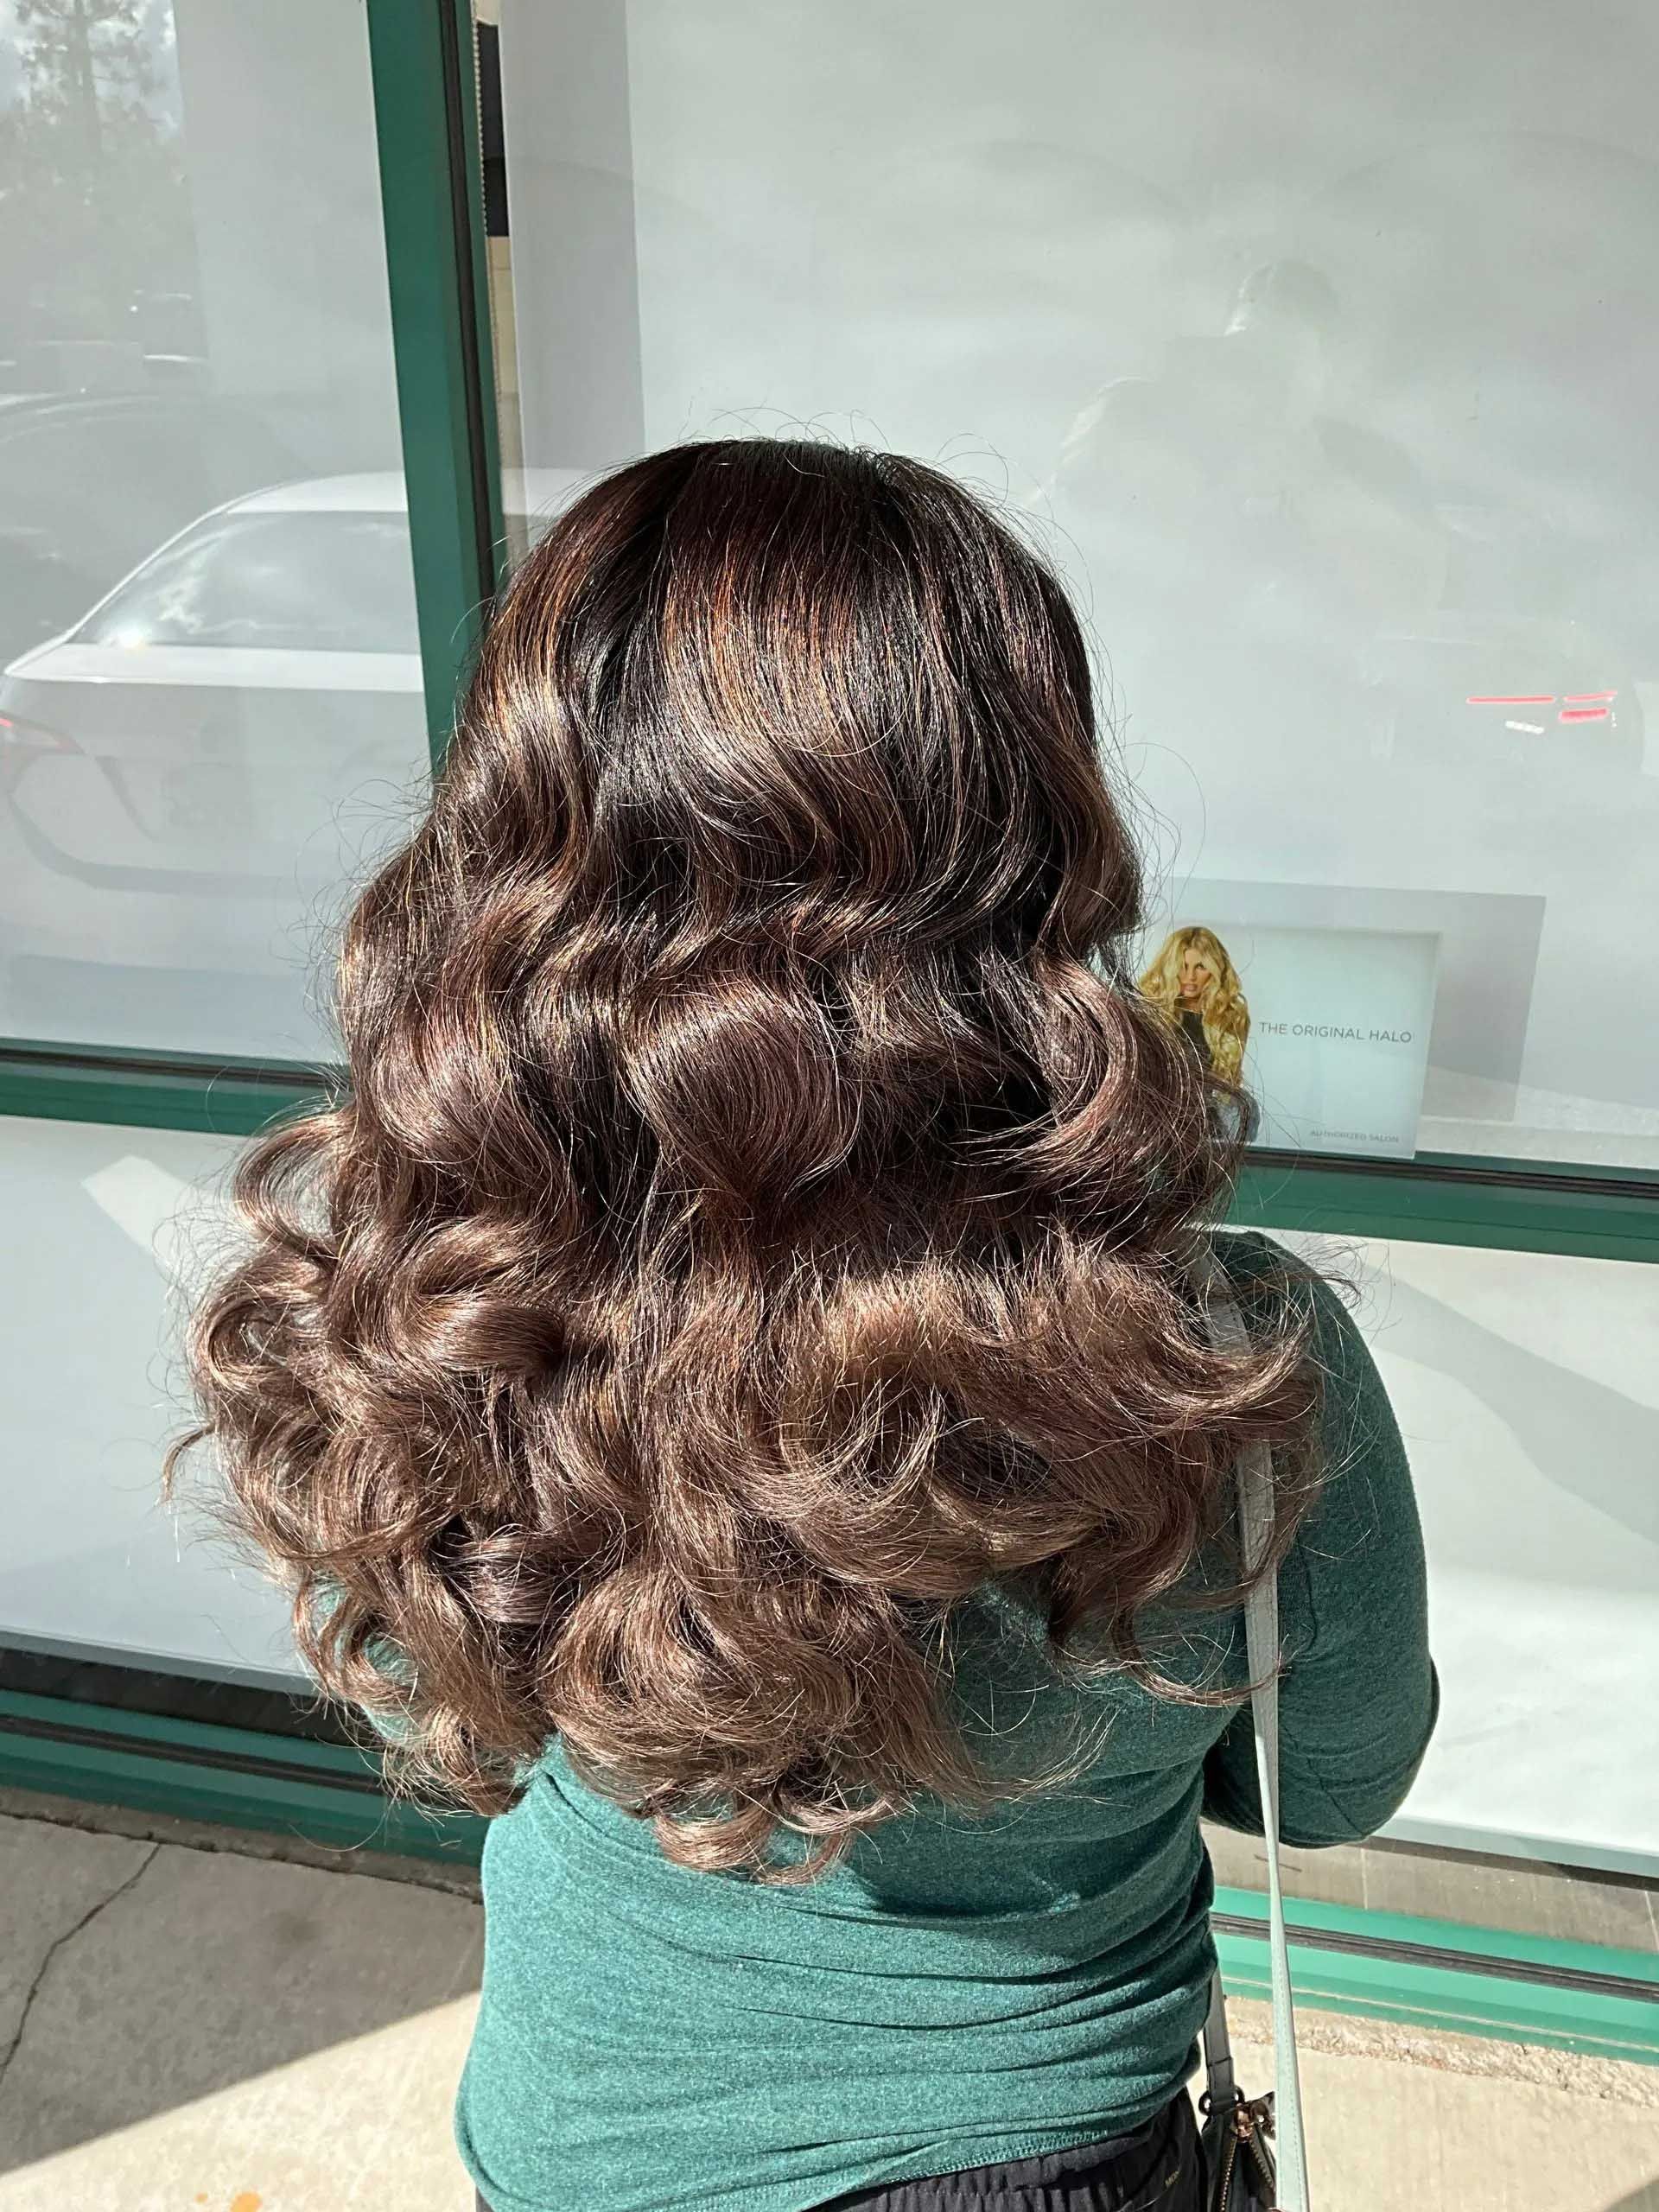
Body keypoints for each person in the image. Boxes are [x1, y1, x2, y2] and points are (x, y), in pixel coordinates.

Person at [169, 439, 1436, 2212]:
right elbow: (1335, 1783)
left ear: (521, 832)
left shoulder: (457, 1285)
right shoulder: (1222, 1344)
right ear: (1029, 826)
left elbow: (426, 1673)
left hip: (578, 2139)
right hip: (1045, 2156)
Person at [1138, 925, 1250, 1081]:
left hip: (1208, 1104)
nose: (1190, 976)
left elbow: (1229, 1082)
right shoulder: (1152, 1011)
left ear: (1214, 969)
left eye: (1200, 967)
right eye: (1182, 966)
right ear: (1170, 968)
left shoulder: (1229, 1016)